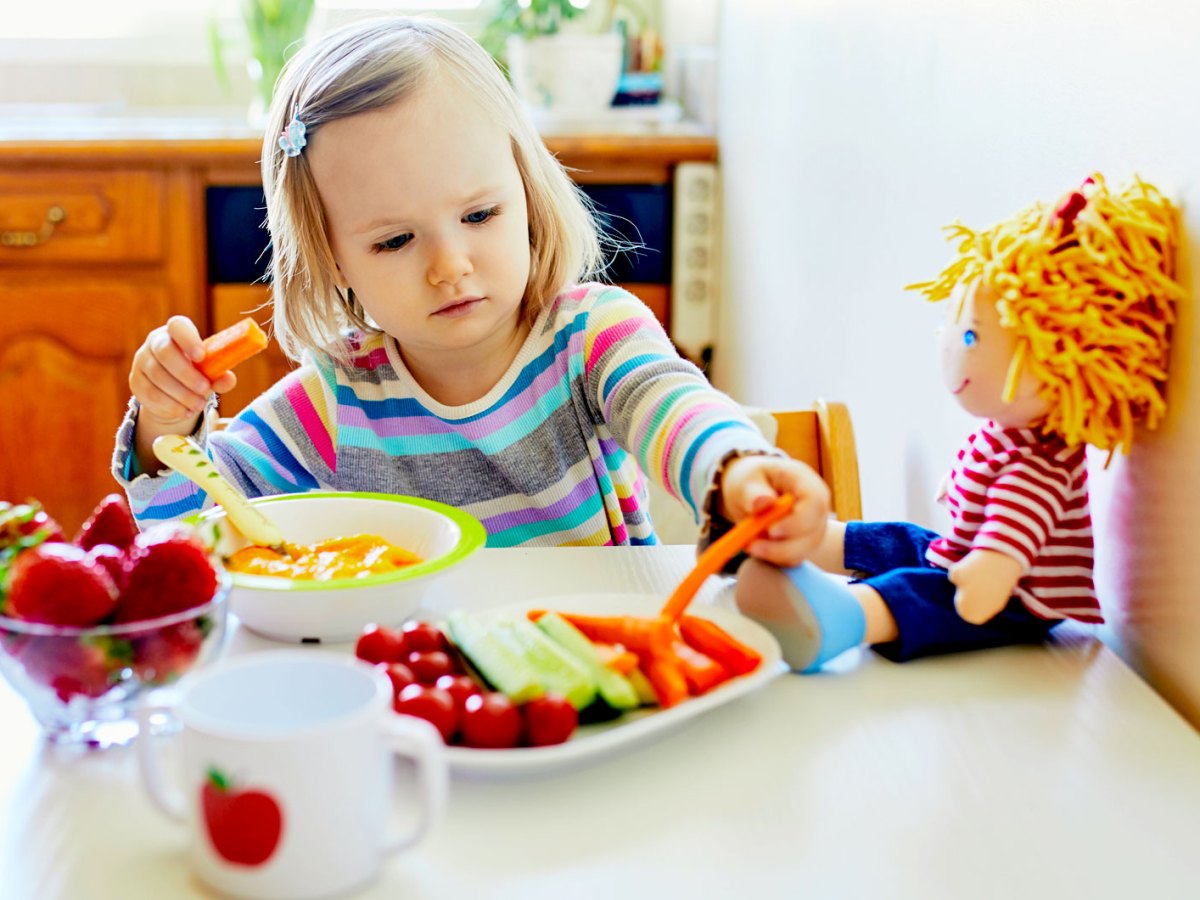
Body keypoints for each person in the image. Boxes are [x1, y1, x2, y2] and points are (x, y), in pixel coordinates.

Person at [113, 16, 828, 562]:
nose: (449, 264)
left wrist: (736, 470)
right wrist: (165, 428)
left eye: (479, 215)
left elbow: (673, 409)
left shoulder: (590, 338)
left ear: (528, 193)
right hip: (420, 698)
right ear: (333, 262)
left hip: (609, 665)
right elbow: (187, 530)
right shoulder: (334, 403)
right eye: (395, 240)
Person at [736, 174, 1185, 671]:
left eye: (970, 337)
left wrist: (987, 574)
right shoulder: (1009, 432)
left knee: (925, 592)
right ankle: (813, 542)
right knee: (905, 539)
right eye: (953, 325)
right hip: (969, 554)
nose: (950, 347)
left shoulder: (1039, 466)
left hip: (1013, 598)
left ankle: (840, 617)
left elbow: (1010, 539)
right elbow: (981, 473)